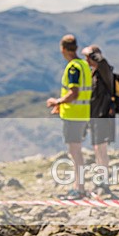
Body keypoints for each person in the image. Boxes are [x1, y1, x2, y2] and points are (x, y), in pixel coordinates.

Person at [46, 34, 92, 200]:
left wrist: (56, 101)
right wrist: (61, 105)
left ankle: (78, 189)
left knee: (75, 152)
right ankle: (78, 188)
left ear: (63, 49)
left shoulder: (73, 67)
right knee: (76, 151)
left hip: (74, 115)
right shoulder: (84, 65)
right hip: (83, 113)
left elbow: (74, 93)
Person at [82, 44, 116, 199]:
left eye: (88, 58)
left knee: (101, 149)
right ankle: (100, 181)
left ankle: (103, 183)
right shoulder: (95, 73)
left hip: (103, 116)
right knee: (97, 149)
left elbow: (102, 62)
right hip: (96, 116)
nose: (87, 60)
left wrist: (90, 52)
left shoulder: (104, 70)